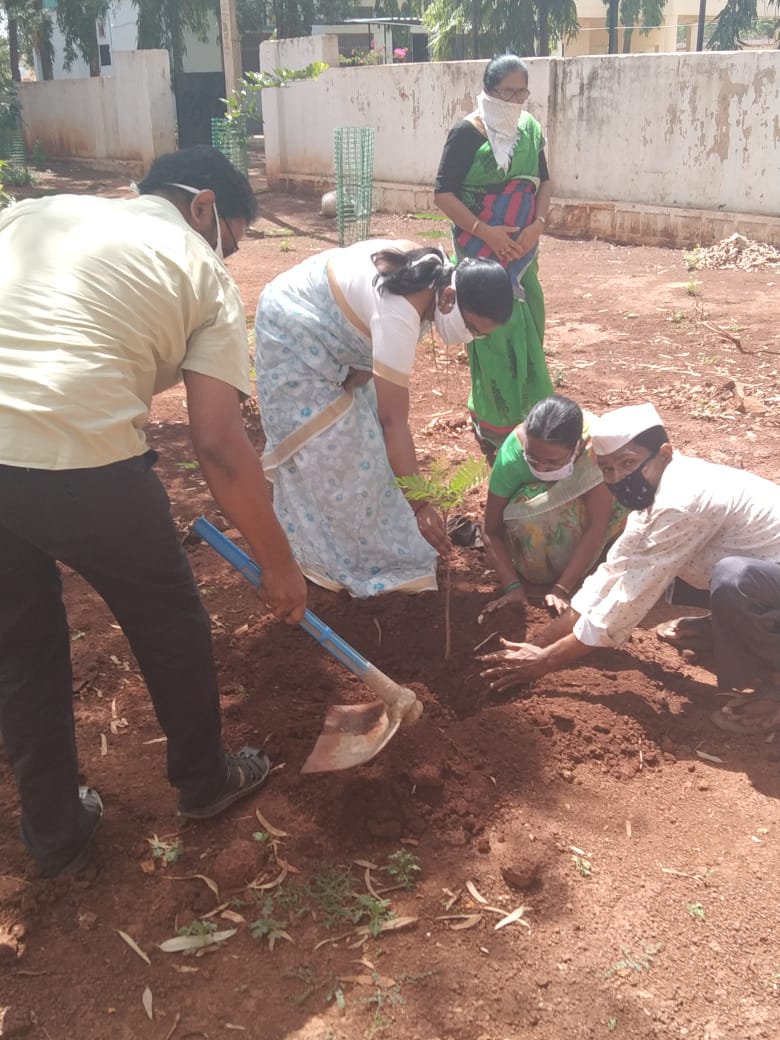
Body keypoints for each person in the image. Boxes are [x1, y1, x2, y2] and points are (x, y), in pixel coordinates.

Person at [0, 145, 307, 878]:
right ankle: (204, 781)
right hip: (81, 459)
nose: (226, 257)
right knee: (170, 623)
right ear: (203, 207)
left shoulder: (34, 215)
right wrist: (280, 565)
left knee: (21, 645)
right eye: (230, 239)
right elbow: (221, 447)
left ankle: (55, 830)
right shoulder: (202, 272)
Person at [480, 403, 780, 736]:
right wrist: (540, 641)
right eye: (607, 470)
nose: (618, 478)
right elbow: (615, 569)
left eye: (628, 464)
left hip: (763, 576)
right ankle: (731, 629)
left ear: (664, 452)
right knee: (711, 575)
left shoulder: (683, 500)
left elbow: (628, 602)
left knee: (733, 579)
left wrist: (545, 662)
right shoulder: (654, 493)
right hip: (768, 574)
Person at [254, 240, 513, 597]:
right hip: (292, 326)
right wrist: (421, 504)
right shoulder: (401, 312)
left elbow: (368, 342)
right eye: (473, 328)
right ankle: (319, 555)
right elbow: (393, 421)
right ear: (449, 297)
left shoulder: (433, 274)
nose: (473, 338)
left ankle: (366, 542)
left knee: (369, 444)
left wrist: (359, 367)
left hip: (327, 329)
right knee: (330, 450)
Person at [434, 53, 554, 462]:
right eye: (508, 91)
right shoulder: (466, 134)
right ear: (488, 90)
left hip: (523, 254)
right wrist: (486, 233)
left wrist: (537, 224)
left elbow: (544, 183)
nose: (516, 99)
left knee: (529, 326)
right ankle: (496, 421)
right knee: (494, 334)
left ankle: (534, 417)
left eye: (522, 92)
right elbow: (443, 194)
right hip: (481, 256)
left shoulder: (530, 130)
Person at [481, 396, 626, 618]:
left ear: (576, 448)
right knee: (531, 503)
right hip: (535, 545)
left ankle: (583, 564)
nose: (540, 466)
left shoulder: (595, 449)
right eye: (533, 457)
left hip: (589, 522)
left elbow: (598, 523)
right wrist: (513, 587)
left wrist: (562, 588)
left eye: (552, 462)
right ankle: (547, 567)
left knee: (619, 489)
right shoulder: (510, 459)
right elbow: (490, 529)